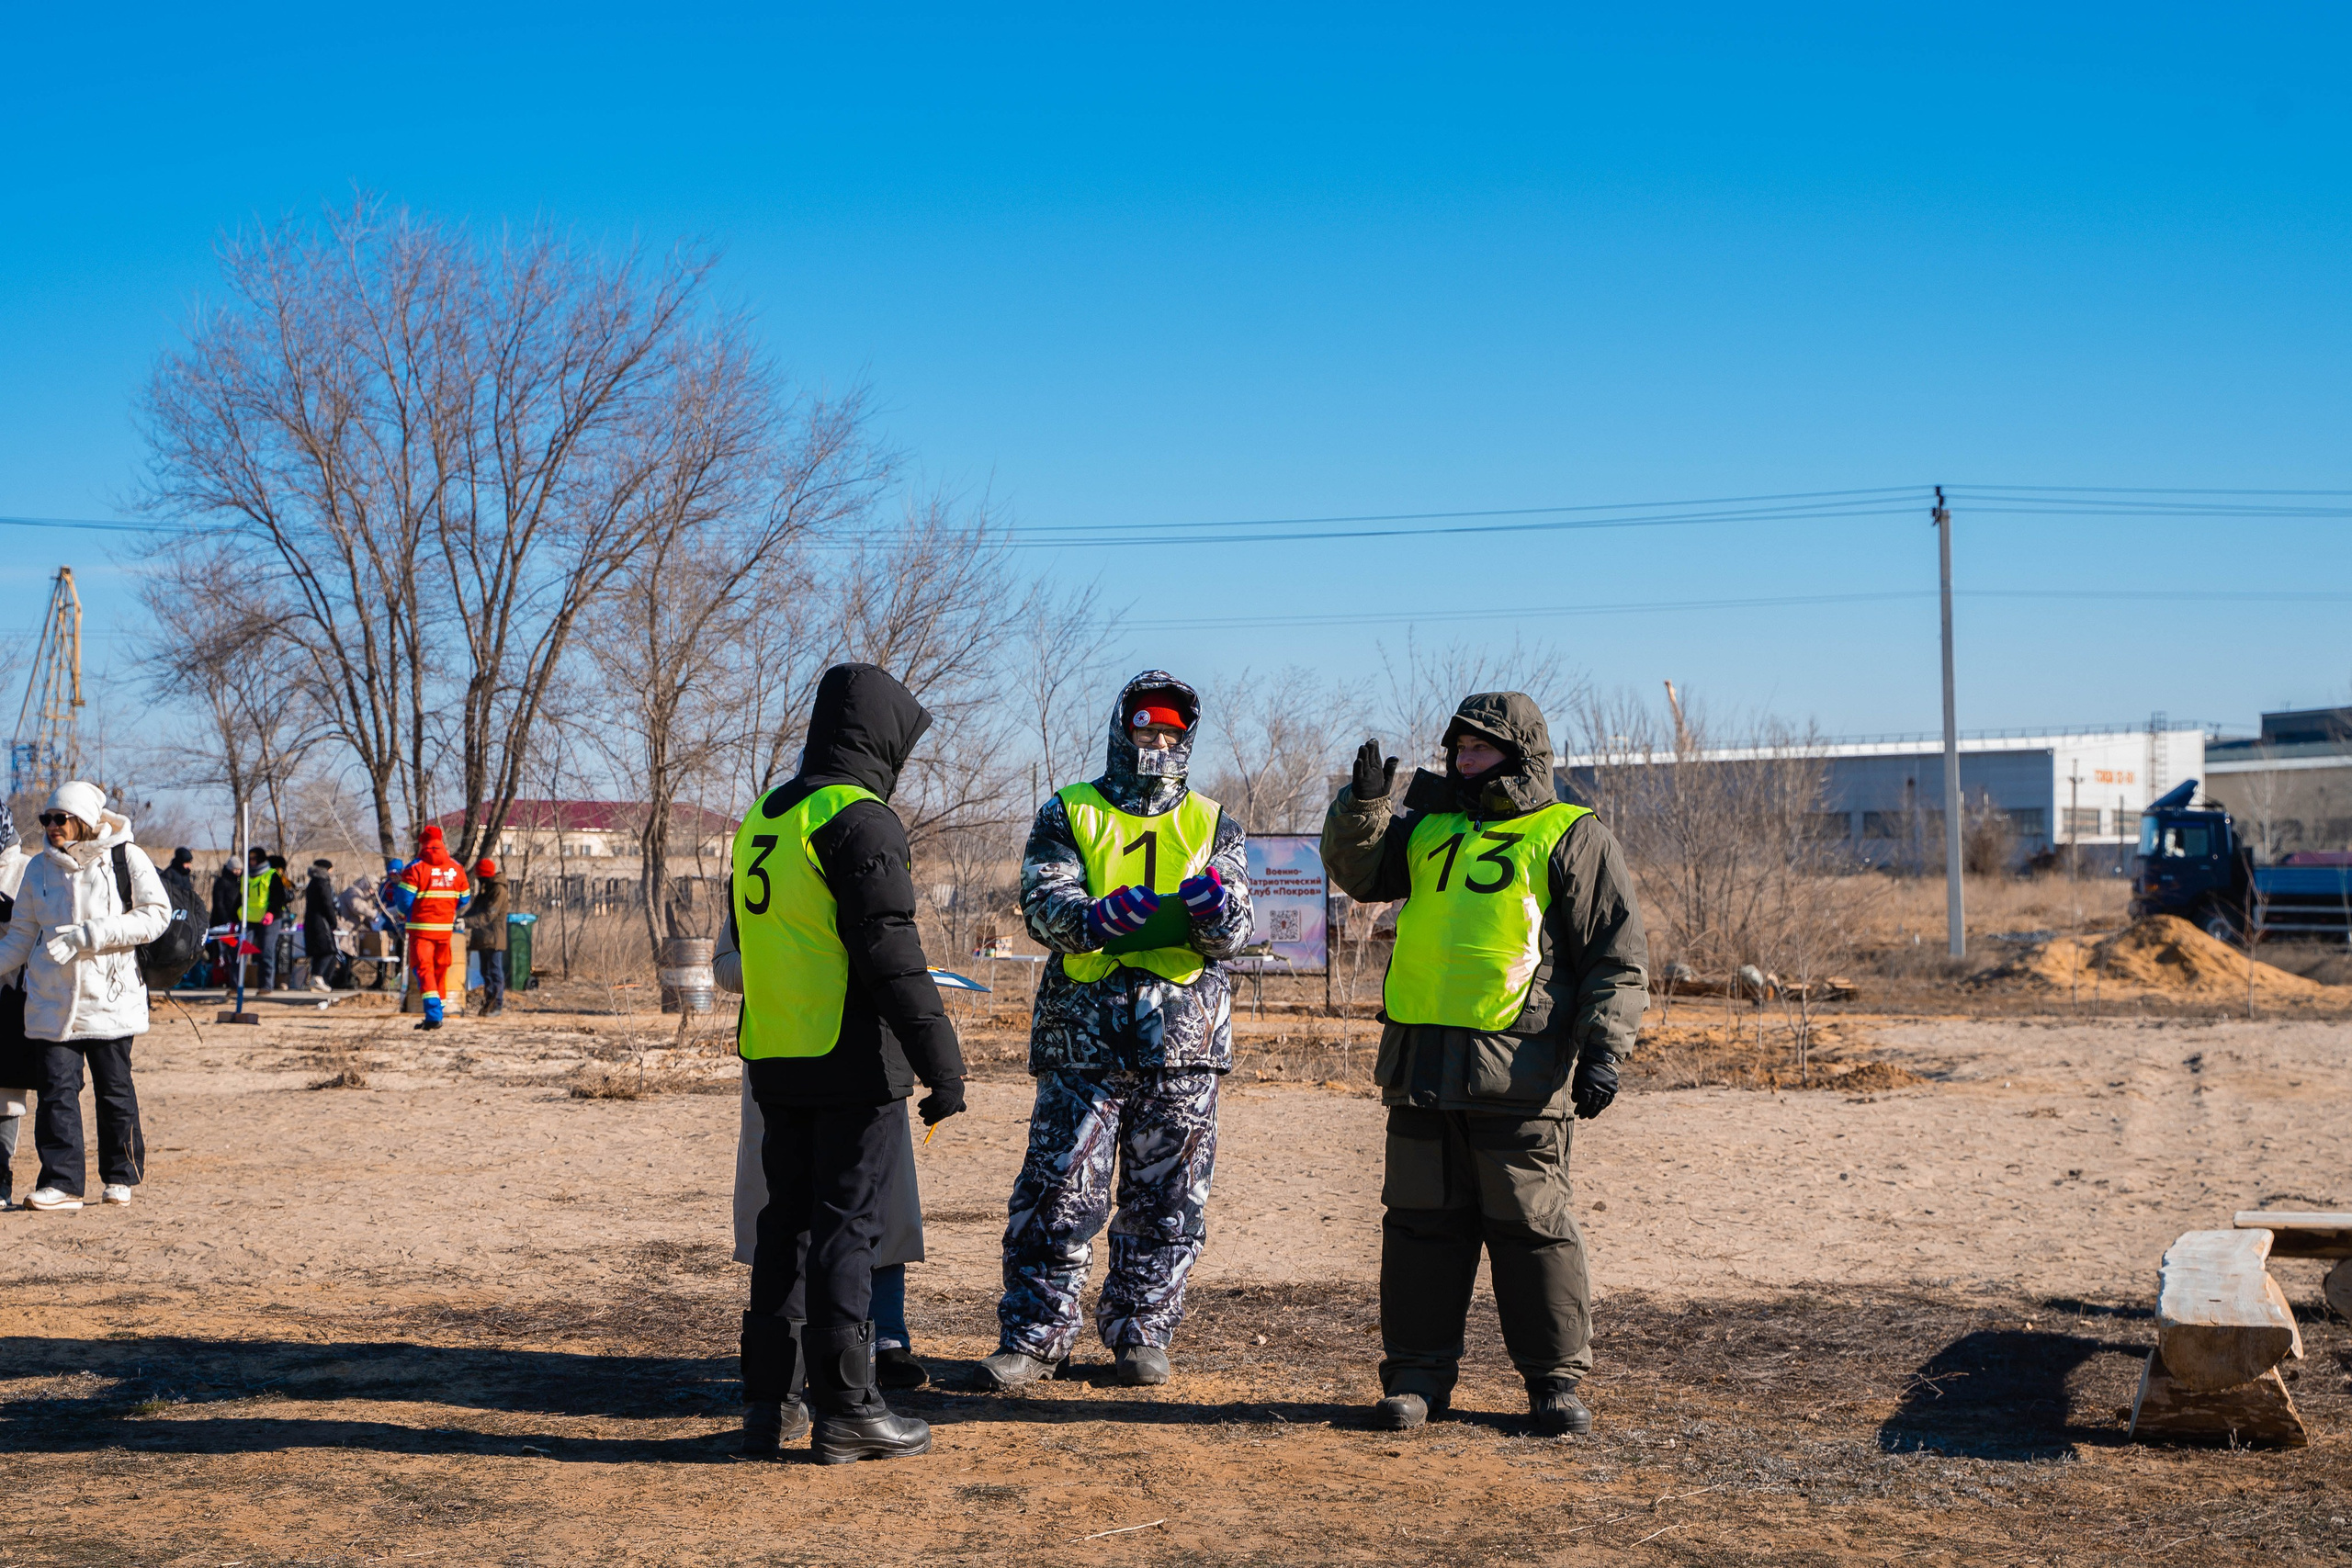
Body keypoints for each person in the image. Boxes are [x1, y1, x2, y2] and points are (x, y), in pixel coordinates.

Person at [1322, 694, 1648, 1438]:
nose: (1464, 760)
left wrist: (1605, 1048)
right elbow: (1358, 870)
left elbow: (1615, 955)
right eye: (1459, 748)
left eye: (1481, 749)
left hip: (1520, 1077)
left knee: (1533, 1233)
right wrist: (1365, 805)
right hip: (1419, 1071)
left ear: (1521, 754)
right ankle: (1415, 1377)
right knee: (1417, 1230)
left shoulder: (1572, 833)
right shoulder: (1429, 826)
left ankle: (1554, 1386)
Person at [981, 671, 1253, 1392]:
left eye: (1170, 732)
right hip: (1083, 1040)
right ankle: (1036, 1339)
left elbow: (1240, 925)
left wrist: (1213, 910)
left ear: (1186, 739)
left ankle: (1142, 1334)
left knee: (1169, 1199)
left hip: (1183, 1042)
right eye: (1145, 727)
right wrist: (1096, 918)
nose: (1157, 741)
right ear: (1123, 728)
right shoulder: (1068, 811)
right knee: (1058, 1191)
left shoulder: (1213, 820)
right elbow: (1043, 900)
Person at [729, 662, 966, 1464]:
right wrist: (944, 1062)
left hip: (776, 1052)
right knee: (847, 1229)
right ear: (880, 738)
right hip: (850, 1056)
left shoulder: (766, 816)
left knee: (783, 1223)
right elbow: (891, 954)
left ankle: (771, 1403)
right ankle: (850, 1407)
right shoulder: (860, 818)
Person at [0, 782, 171, 1212]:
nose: (52, 826)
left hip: (111, 998)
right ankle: (61, 1183)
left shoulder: (125, 857)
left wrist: (91, 935)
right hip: (52, 1001)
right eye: (46, 819)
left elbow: (156, 916)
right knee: (56, 1089)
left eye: (61, 818)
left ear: (85, 821)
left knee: (114, 1089)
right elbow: (20, 936)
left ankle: (120, 1176)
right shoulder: (39, 868)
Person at [390, 829, 469, 1030]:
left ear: (422, 844)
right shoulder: (456, 867)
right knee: (440, 970)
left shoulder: (415, 868)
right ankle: (437, 1013)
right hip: (445, 930)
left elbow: (403, 902)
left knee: (424, 970)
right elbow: (464, 897)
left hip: (421, 930)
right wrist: (448, 909)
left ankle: (433, 1015)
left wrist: (403, 915)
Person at [0, 802, 32, 1210]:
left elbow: (35, 932)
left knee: (5, 1092)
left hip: (8, 993)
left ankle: (0, 1178)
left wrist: (7, 914)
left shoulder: (27, 869)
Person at [468, 858, 508, 1016]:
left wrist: (465, 922)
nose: (478, 878)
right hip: (485, 938)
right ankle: (488, 1004)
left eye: (479, 875)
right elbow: (475, 910)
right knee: (486, 972)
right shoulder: (486, 888)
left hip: (494, 938)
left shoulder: (498, 890)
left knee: (494, 971)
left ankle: (496, 1005)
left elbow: (486, 916)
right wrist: (458, 918)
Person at [301, 859, 341, 991]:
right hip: (320, 922)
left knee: (318, 951)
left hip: (311, 920)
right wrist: (333, 920)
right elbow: (327, 903)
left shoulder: (313, 881)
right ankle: (317, 977)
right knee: (329, 950)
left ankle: (316, 978)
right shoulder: (323, 882)